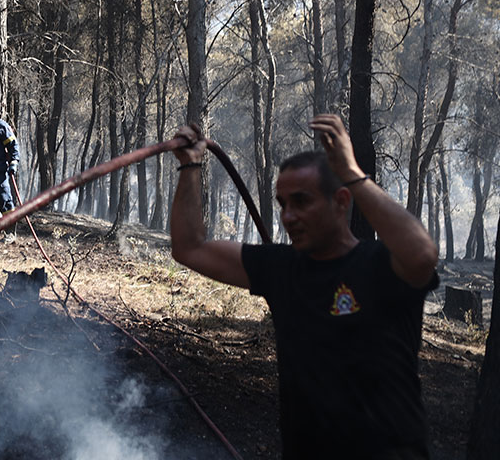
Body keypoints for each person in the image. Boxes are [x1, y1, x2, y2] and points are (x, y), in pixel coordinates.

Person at [170, 114, 439, 459]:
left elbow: (423, 255)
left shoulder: (381, 265)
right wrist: (191, 167)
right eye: (283, 205)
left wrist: (352, 173)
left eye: (302, 201)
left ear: (341, 201)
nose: (288, 216)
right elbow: (189, 248)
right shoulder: (280, 268)